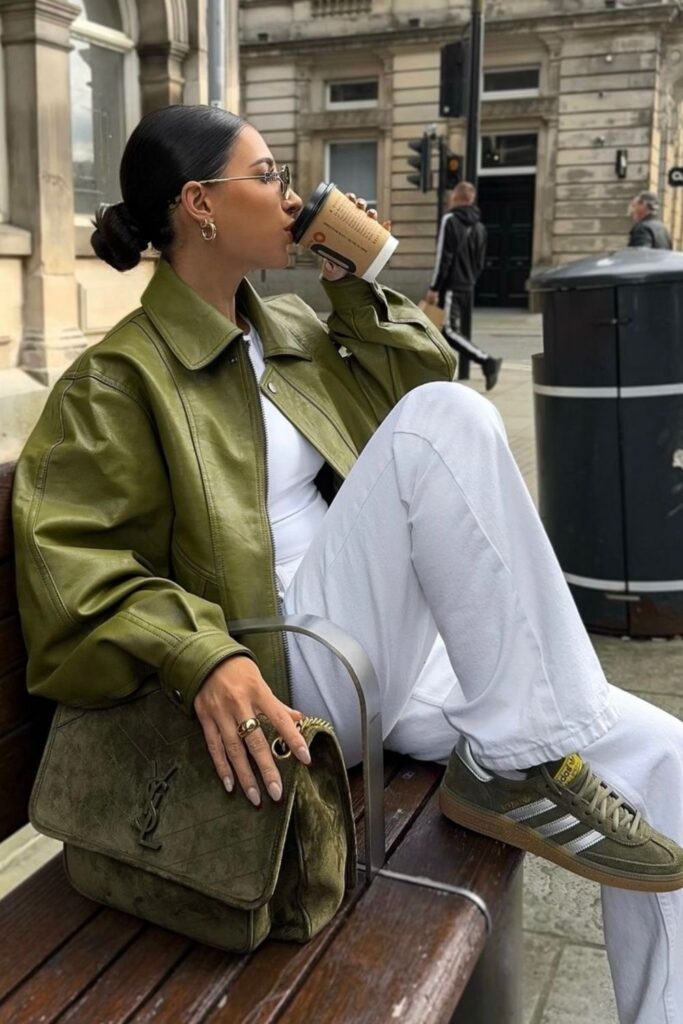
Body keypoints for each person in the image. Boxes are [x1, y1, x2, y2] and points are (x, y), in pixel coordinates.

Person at [11, 105, 683, 1024]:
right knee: (442, 423)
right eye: (268, 176)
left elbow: (428, 412)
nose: (292, 197)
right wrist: (199, 654)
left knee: (664, 762)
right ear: (200, 204)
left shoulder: (290, 331)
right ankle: (520, 755)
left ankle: (536, 780)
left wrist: (357, 289)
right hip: (285, 673)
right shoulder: (119, 381)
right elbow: (73, 563)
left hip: (386, 647)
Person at [424, 180, 502, 391]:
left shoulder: (449, 220)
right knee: (439, 330)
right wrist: (470, 280)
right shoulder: (480, 227)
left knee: (448, 331)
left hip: (450, 285)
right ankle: (435, 374)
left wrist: (434, 288)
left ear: (455, 197)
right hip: (466, 285)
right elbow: (480, 262)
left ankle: (487, 361)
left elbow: (443, 257)